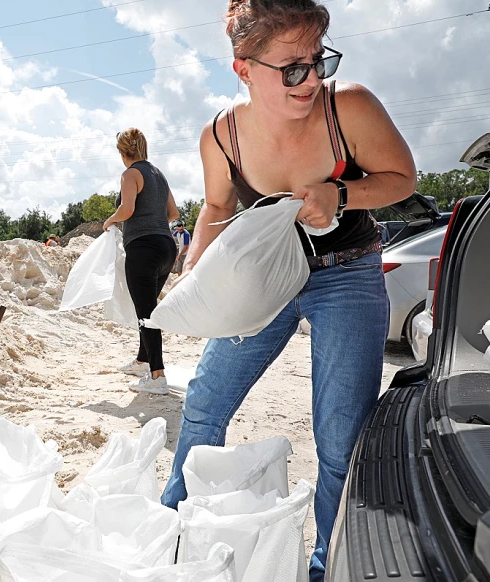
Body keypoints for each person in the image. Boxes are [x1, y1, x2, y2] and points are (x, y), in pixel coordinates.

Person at [159, 2, 417, 580]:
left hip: (347, 274)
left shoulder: (347, 107)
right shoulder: (221, 136)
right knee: (204, 405)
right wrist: (195, 265)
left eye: (318, 60)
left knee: (338, 438)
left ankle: (329, 565)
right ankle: (173, 536)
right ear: (243, 68)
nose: (312, 78)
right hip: (264, 284)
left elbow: (403, 177)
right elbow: (219, 206)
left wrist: (343, 195)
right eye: (292, 68)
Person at [103, 128, 180, 395]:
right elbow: (174, 213)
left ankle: (157, 377)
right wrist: (154, 223)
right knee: (146, 308)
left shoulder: (130, 174)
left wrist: (110, 221)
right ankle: (142, 361)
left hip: (143, 248)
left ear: (123, 152)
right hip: (167, 247)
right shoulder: (158, 174)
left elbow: (127, 209)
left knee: (146, 314)